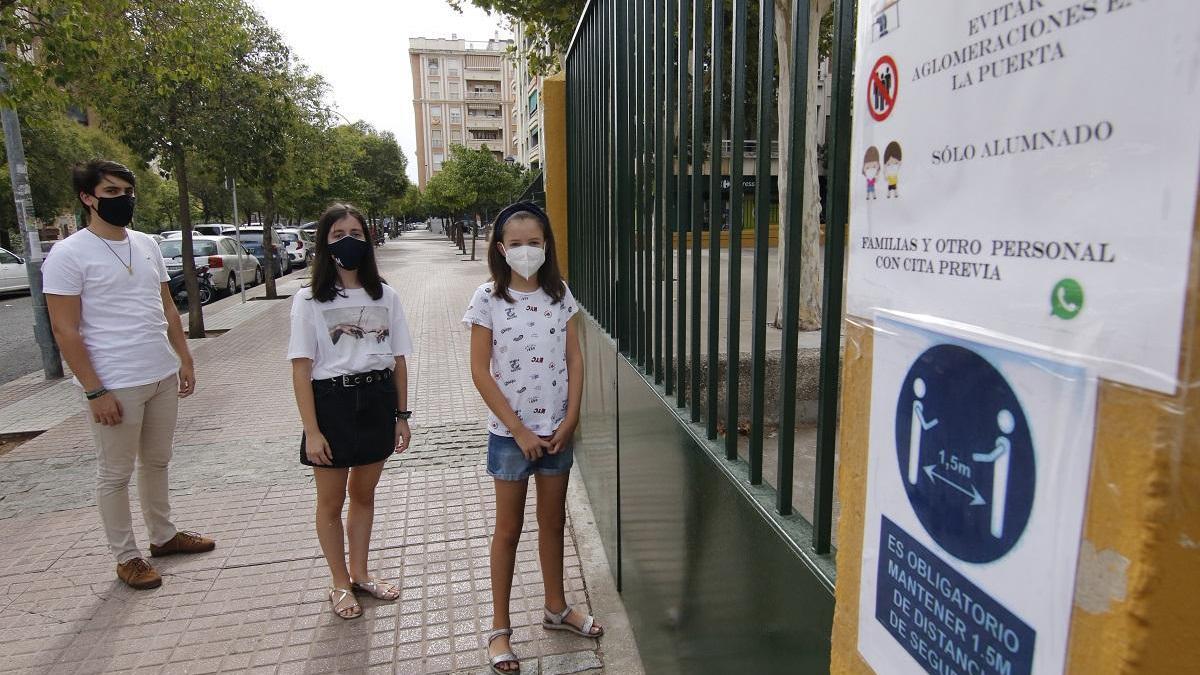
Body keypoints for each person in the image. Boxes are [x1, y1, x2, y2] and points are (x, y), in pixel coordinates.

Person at [43, 159, 215, 590]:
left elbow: (166, 307)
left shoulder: (146, 244)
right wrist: (94, 390)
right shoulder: (67, 255)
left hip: (160, 373)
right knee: (114, 473)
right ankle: (126, 557)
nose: (124, 200)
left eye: (127, 192)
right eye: (112, 193)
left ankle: (164, 536)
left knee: (157, 461)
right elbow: (64, 329)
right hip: (114, 381)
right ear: (88, 198)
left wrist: (185, 358)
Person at [462, 202, 603, 675]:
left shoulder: (560, 294)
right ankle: (499, 629)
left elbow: (576, 359)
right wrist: (518, 429)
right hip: (510, 437)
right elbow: (480, 371)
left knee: (553, 524)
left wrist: (572, 417)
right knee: (508, 531)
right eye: (516, 244)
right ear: (501, 249)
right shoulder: (487, 299)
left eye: (534, 242)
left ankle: (556, 607)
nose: (526, 251)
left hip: (556, 433)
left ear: (548, 246)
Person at [287, 203, 413, 620]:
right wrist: (312, 430)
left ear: (369, 238)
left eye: (356, 233)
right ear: (325, 242)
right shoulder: (309, 300)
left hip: (376, 400)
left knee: (364, 494)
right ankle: (339, 582)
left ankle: (359, 574)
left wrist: (401, 416)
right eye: (339, 235)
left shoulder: (386, 295)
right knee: (330, 500)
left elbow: (398, 361)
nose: (349, 242)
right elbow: (301, 369)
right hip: (331, 404)